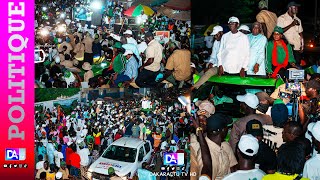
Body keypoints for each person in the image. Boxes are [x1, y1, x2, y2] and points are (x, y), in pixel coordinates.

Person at [190, 113, 238, 180]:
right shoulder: (210, 155)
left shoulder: (221, 146)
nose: (228, 130)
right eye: (227, 127)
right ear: (223, 130)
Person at [191, 26, 223, 90]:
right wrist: (210, 63)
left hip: (221, 66)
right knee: (202, 71)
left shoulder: (226, 43)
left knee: (209, 72)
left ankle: (193, 87)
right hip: (215, 64)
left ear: (220, 33)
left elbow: (222, 58)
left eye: (216, 35)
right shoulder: (216, 42)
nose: (214, 37)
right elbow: (213, 55)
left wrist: (212, 65)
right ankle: (193, 84)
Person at [277, 1, 304, 66]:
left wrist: (302, 45)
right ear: (289, 8)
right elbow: (279, 32)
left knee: (296, 66)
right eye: (295, 7)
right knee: (287, 66)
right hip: (287, 46)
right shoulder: (282, 18)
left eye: (297, 7)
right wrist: (292, 24)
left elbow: (300, 33)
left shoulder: (298, 19)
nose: (297, 9)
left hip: (297, 47)